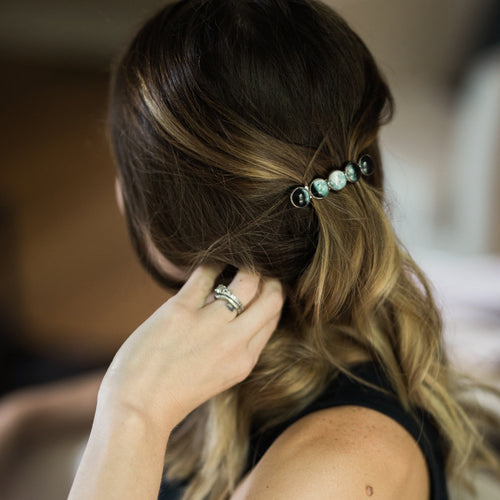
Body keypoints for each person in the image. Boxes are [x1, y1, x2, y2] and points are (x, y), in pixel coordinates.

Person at [69, 1, 500, 499]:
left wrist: (133, 413)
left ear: (158, 216)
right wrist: (26, 420)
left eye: (123, 169)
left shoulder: (334, 472)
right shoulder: (225, 357)